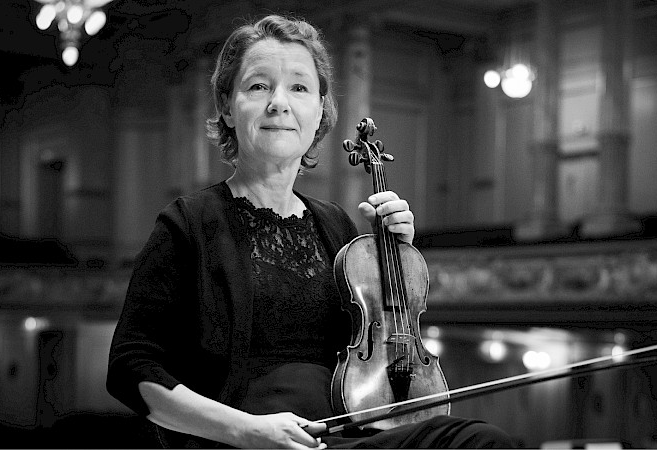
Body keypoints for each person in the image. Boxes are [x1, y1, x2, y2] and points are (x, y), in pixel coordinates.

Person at [107, 14, 513, 449]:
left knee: (479, 440)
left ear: (319, 111)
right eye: (258, 86)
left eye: (299, 88)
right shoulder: (187, 223)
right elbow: (131, 368)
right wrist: (245, 430)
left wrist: (395, 263)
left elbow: (378, 364)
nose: (278, 103)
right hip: (241, 442)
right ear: (226, 107)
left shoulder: (336, 227)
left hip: (341, 438)